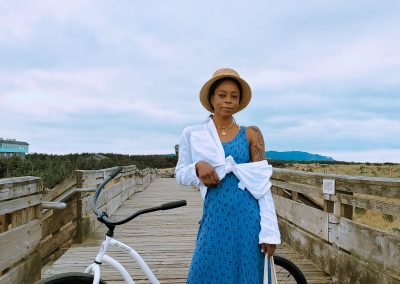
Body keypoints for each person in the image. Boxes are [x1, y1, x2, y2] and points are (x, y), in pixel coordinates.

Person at [175, 68, 281, 283]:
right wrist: (197, 166)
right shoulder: (194, 134)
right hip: (215, 215)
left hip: (248, 217)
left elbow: (261, 185)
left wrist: (269, 232)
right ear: (212, 98)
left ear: (240, 101)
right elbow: (180, 174)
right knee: (204, 271)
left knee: (247, 273)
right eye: (222, 95)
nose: (228, 101)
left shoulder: (252, 134)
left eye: (234, 96)